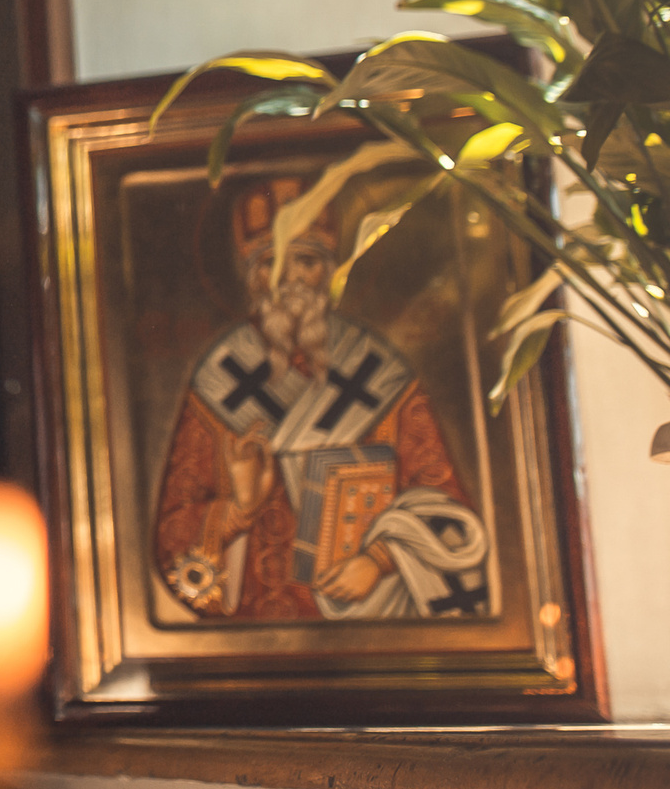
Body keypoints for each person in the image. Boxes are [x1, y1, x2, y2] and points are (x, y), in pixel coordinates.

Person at [152, 177, 489, 622]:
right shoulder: (220, 377)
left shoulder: (378, 370)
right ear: (252, 278)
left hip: (374, 619)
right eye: (272, 263)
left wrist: (380, 560)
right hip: (259, 627)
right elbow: (174, 532)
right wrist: (239, 509)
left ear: (329, 272)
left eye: (306, 261)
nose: (290, 278)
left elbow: (444, 504)